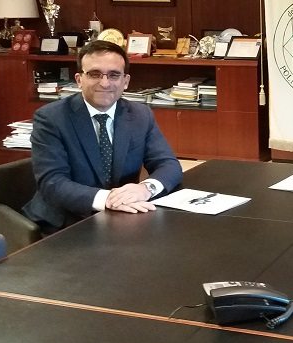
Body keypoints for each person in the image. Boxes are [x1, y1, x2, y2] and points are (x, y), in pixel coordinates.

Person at [23, 40, 182, 231]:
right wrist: (108, 199)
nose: (105, 83)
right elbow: (52, 182)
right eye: (94, 74)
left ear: (125, 81)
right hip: (65, 221)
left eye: (114, 75)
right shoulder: (51, 118)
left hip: (121, 219)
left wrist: (145, 188)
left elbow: (168, 164)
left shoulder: (140, 115)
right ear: (79, 79)